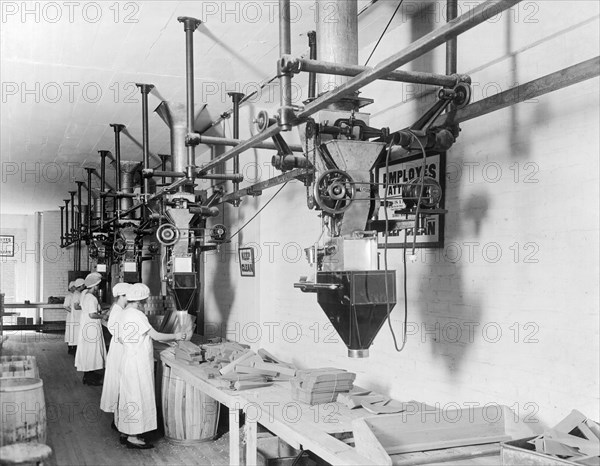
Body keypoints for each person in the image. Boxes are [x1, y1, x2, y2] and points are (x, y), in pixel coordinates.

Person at [115, 283, 184, 449]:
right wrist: (177, 335)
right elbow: (155, 335)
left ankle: (126, 432)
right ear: (140, 300)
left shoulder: (124, 313)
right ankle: (133, 437)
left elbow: (120, 338)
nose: (145, 303)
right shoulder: (138, 315)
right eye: (144, 301)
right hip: (138, 363)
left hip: (127, 360)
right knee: (138, 397)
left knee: (128, 397)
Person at [100, 282, 130, 441]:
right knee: (121, 387)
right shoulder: (119, 311)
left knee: (119, 386)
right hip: (120, 351)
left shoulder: (117, 309)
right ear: (124, 295)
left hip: (117, 350)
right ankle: (121, 425)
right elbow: (120, 335)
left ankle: (117, 421)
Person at [75, 272, 107, 386]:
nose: (98, 287)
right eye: (98, 285)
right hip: (92, 327)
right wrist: (103, 315)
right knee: (92, 351)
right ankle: (89, 378)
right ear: (96, 285)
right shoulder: (91, 298)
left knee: (87, 351)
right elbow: (92, 315)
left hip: (86, 326)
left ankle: (89, 374)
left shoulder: (84, 293)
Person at [65, 278, 85, 355]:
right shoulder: (77, 294)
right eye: (83, 285)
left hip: (75, 316)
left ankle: (74, 348)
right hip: (76, 317)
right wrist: (85, 307)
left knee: (74, 333)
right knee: (75, 333)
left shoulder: (76, 294)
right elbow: (76, 307)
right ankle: (74, 349)